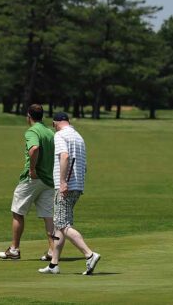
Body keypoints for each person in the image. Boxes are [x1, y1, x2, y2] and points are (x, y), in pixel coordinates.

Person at [39, 112, 101, 276]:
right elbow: (84, 165)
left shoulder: (60, 135)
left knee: (63, 225)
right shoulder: (78, 137)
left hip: (65, 186)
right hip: (78, 185)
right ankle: (54, 265)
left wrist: (63, 183)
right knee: (60, 224)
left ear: (56, 123)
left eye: (53, 125)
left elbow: (64, 157)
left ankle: (89, 254)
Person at [0, 104, 56, 262]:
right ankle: (52, 250)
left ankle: (14, 249)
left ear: (29, 116)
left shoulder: (32, 131)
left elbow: (34, 148)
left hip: (33, 179)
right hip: (48, 180)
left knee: (18, 212)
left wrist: (32, 169)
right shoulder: (50, 132)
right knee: (48, 216)